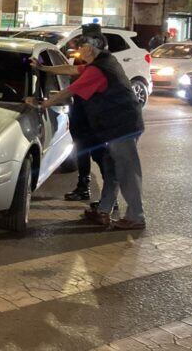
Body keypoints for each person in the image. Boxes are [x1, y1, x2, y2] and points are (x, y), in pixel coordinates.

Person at [26, 23, 146, 230]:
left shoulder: (98, 70)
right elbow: (72, 69)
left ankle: (136, 217)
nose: (78, 51)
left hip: (123, 126)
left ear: (91, 47)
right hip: (116, 125)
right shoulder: (102, 62)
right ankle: (103, 212)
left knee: (126, 171)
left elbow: (68, 91)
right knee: (112, 169)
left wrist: (41, 104)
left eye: (81, 47)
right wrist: (43, 68)